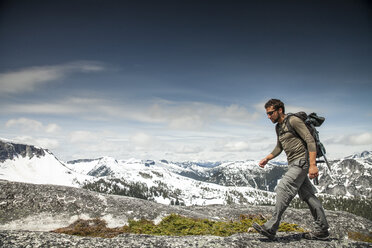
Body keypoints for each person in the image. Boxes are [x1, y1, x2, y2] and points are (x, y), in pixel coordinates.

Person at [252, 99, 329, 240]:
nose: (268, 117)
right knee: (308, 196)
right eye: (267, 114)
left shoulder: (293, 121)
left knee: (283, 187)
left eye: (270, 113)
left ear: (280, 110)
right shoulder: (278, 127)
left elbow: (310, 140)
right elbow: (279, 147)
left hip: (301, 162)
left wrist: (313, 165)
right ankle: (322, 229)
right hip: (293, 163)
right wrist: (267, 158)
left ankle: (271, 227)